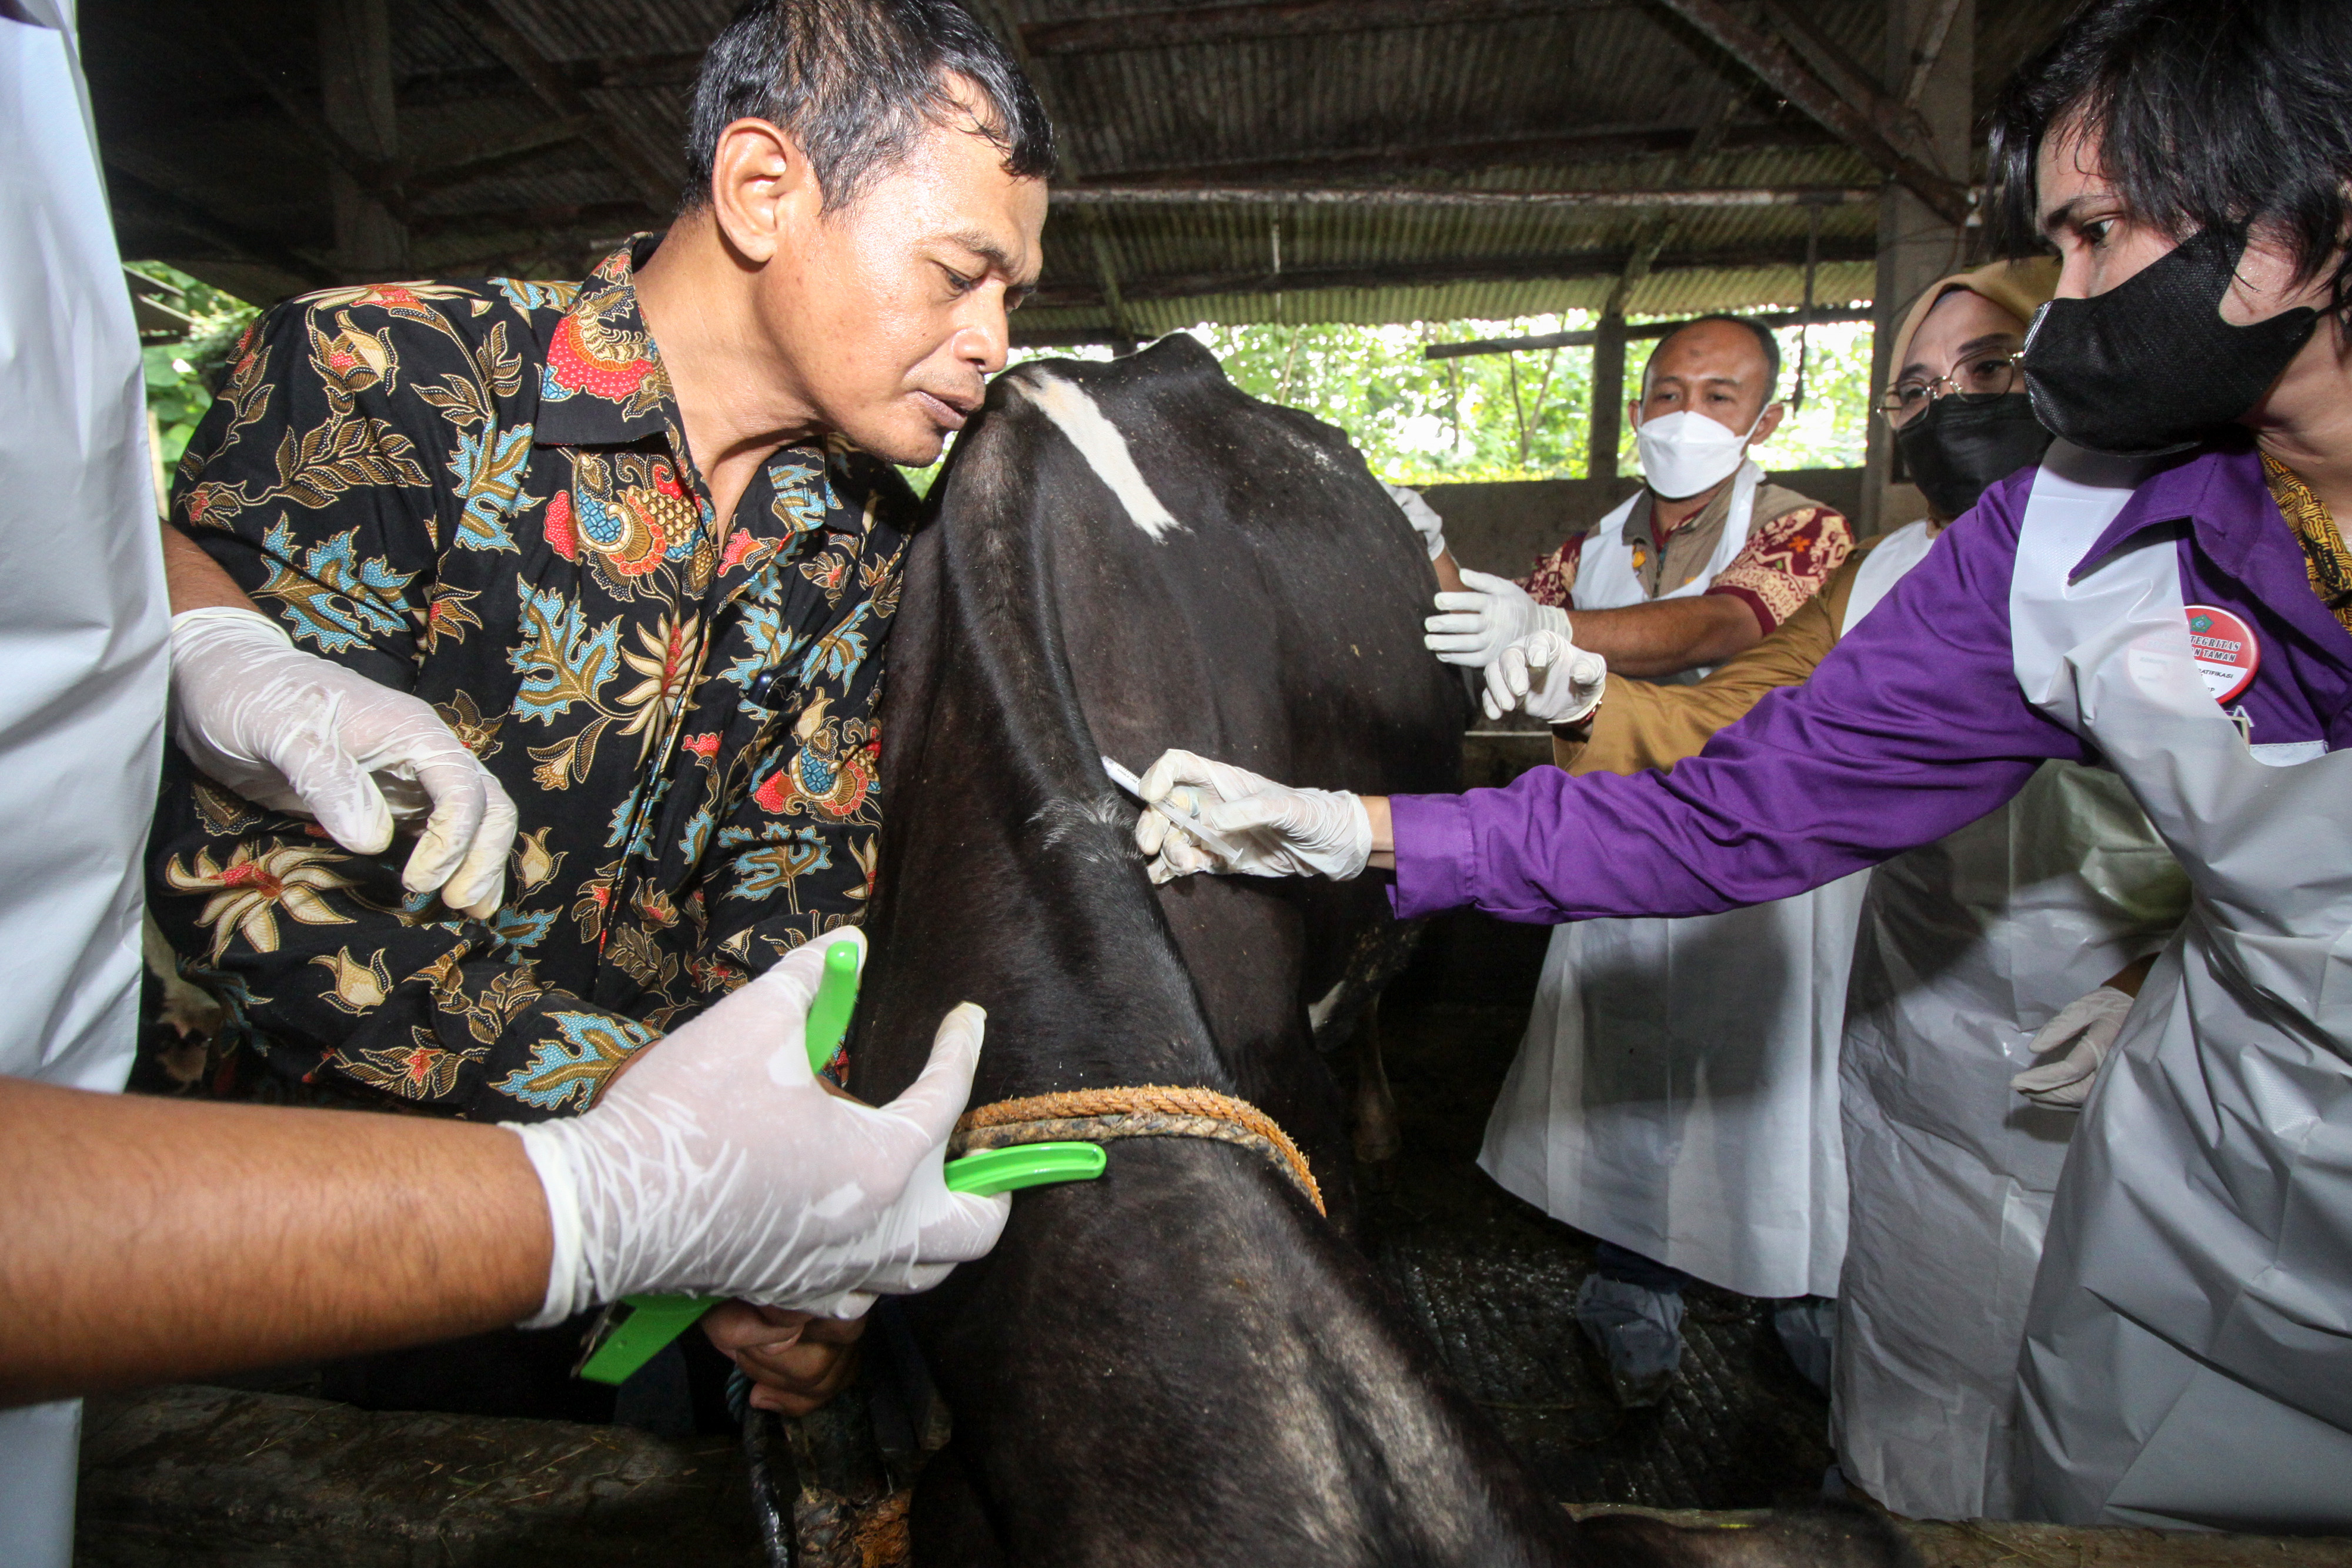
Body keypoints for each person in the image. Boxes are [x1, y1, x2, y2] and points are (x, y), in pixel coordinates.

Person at [1132, 0, 2352, 1527]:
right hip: (2210, 1189)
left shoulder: (1806, 535)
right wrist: (1360, 826)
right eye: (2058, 249)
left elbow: (1727, 638)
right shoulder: (2058, 547)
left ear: (2309, 212)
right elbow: (1743, 805)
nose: (2067, 312)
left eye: (2098, 235)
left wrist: (1571, 654)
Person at [0, 4, 1014, 1561]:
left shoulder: (859, 534)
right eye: (958, 273)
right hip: (290, 1233)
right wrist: (682, 1155)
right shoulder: (379, 380)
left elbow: (794, 884)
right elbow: (255, 888)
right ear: (762, 190)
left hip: (664, 1261)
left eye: (1013, 293)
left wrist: (800, 1184)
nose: (994, 339)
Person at [1525, 259, 2190, 1515]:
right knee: (1909, 1321)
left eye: (1988, 369)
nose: (1950, 410)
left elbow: (2289, 837)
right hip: (1914, 1007)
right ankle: (1865, 1485)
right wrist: (1560, 686)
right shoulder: (1878, 572)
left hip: (2116, 1022)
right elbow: (1735, 718)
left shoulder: (2201, 553)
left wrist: (2174, 974)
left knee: (2109, 1366)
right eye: (1914, 391)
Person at [1431, 317, 1860, 1406]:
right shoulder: (1590, 549)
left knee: (1775, 1081)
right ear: (1636, 410)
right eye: (1668, 392)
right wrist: (1424, 550)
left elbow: (1722, 627)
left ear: (1767, 419)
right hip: (1621, 834)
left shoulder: (1805, 531)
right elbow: (1495, 629)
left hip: (1764, 844)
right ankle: (1635, 1294)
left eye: (1720, 396)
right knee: (1629, 1075)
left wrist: (1548, 628)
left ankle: (1804, 1300)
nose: (1686, 415)